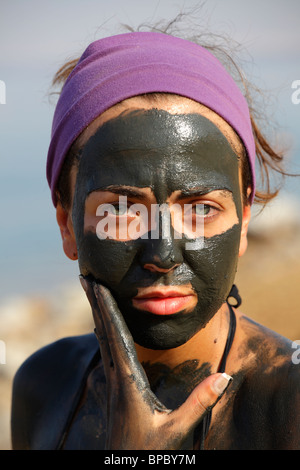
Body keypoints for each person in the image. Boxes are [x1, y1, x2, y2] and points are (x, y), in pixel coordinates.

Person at [11, 30, 300, 450]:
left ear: (243, 218)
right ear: (67, 224)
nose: (163, 255)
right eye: (124, 211)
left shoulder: (287, 403)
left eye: (202, 209)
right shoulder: (45, 383)